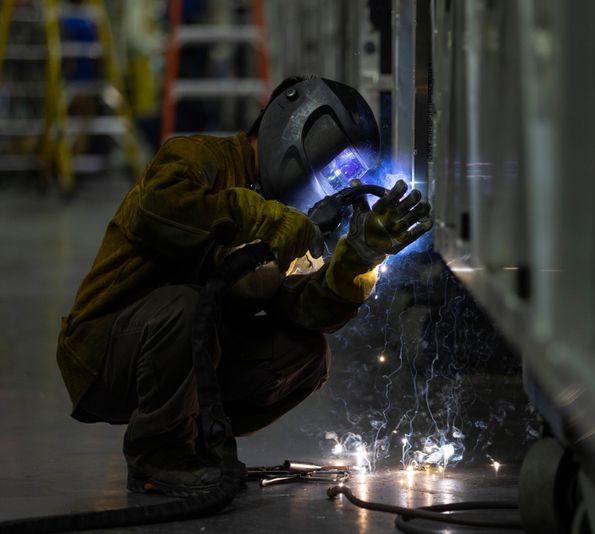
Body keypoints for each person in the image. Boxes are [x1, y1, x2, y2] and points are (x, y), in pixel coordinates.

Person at [56, 76, 432, 496]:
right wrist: (266, 217)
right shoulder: (198, 157)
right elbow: (158, 210)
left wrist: (361, 257)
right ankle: (157, 454)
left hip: (188, 354)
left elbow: (305, 309)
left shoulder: (293, 223)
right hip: (104, 353)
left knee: (306, 355)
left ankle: (194, 442)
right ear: (291, 125)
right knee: (186, 306)